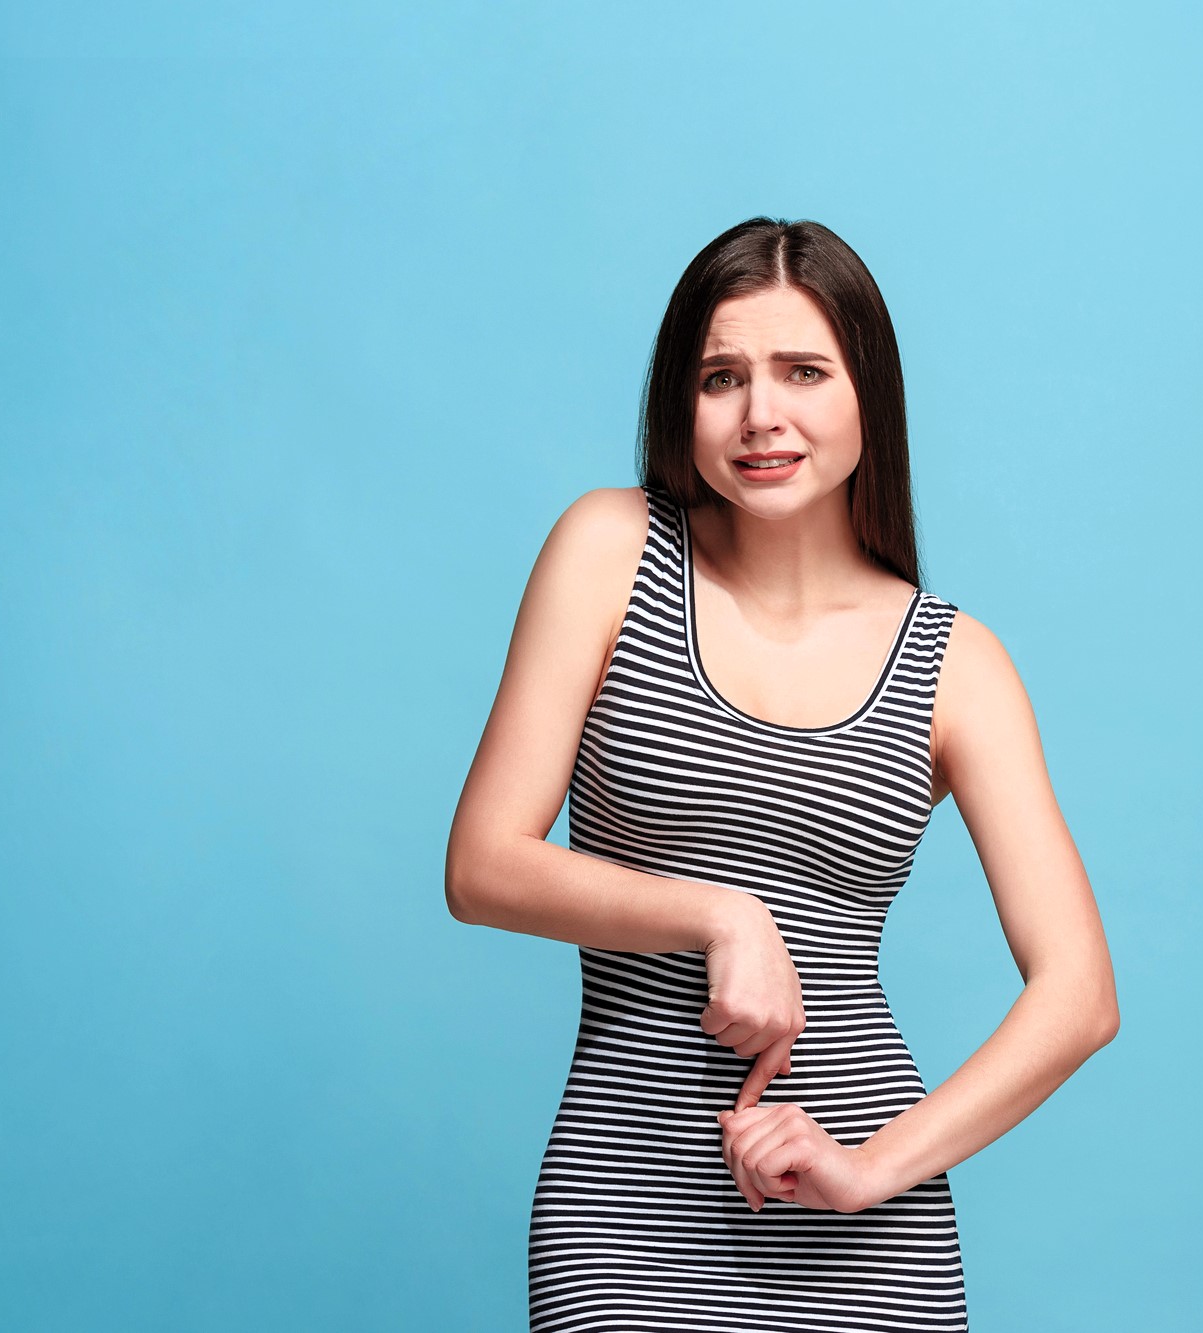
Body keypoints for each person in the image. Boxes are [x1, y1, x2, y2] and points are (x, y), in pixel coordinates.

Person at [445, 216, 1118, 1331]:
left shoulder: (958, 665)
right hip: (627, 1208)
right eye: (721, 377)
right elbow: (482, 865)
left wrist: (871, 1169)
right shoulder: (609, 552)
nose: (762, 414)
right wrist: (721, 916)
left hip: (864, 1230)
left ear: (869, 394)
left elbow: (1078, 995)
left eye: (803, 371)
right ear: (681, 403)